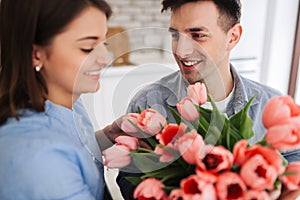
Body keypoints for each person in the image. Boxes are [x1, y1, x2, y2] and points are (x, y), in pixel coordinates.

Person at [112, 0, 300, 199]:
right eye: (175, 35)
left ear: (232, 37)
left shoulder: (275, 106)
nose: (181, 51)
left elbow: (294, 165)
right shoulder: (147, 103)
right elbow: (129, 180)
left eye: (197, 35)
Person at [0, 0, 114, 199]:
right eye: (87, 48)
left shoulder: (69, 102)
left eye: (104, 43)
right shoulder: (38, 159)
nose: (105, 59)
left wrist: (109, 134)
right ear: (36, 55)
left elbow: (73, 146)